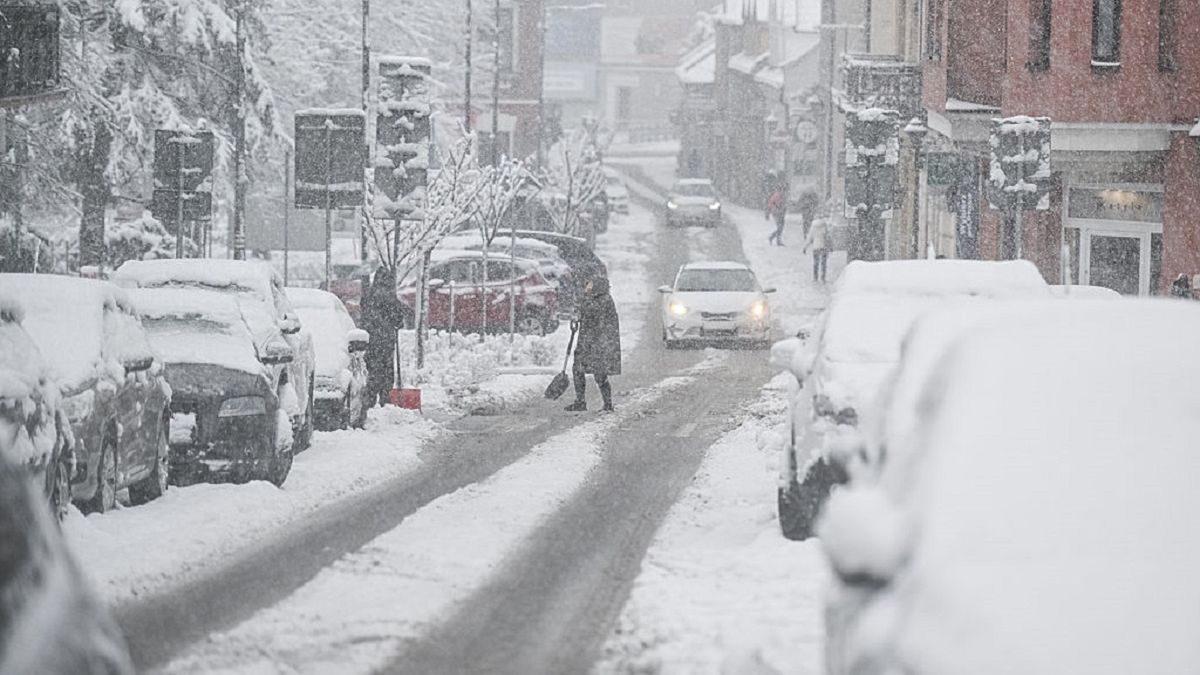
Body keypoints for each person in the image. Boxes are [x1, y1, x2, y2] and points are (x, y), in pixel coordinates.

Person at [566, 275, 621, 412]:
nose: (587, 287)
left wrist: (581, 308)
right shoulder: (593, 299)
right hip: (588, 341)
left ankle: (607, 404)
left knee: (600, 373)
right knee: (578, 369)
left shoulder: (604, 300)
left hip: (599, 344)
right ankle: (580, 401)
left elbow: (594, 314)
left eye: (590, 284)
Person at [361, 267, 407, 407]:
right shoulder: (390, 297)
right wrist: (397, 323)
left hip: (370, 339)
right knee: (386, 369)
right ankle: (385, 397)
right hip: (386, 339)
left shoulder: (368, 295)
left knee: (371, 368)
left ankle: (370, 397)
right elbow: (399, 318)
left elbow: (363, 314)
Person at [802, 214, 830, 283]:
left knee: (816, 263)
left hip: (816, 247)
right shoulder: (825, 226)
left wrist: (805, 247)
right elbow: (828, 237)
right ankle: (823, 277)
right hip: (824, 247)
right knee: (823, 263)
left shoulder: (813, 227)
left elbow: (809, 238)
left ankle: (815, 278)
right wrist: (831, 246)